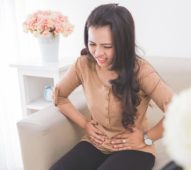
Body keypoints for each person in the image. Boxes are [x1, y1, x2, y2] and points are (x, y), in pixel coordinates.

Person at [50, 3, 173, 170]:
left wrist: (146, 138)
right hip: (96, 144)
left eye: (107, 46)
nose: (97, 53)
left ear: (123, 43)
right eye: (92, 44)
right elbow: (60, 96)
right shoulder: (83, 65)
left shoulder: (141, 71)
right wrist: (85, 124)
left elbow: (178, 111)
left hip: (135, 150)